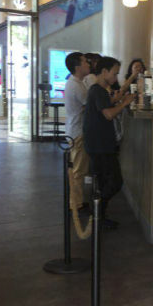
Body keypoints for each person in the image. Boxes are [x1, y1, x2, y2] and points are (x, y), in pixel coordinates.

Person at [83, 57, 134, 229]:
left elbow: (104, 106)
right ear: (104, 72)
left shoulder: (99, 90)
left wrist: (115, 100)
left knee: (104, 181)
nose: (116, 77)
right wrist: (124, 102)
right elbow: (108, 115)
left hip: (98, 143)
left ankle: (99, 215)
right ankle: (97, 214)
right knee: (114, 182)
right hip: (99, 144)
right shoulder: (98, 90)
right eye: (115, 73)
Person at [64, 52, 91, 213]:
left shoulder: (77, 83)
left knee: (79, 169)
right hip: (77, 131)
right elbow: (89, 106)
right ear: (77, 66)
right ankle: (75, 205)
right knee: (78, 171)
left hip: (76, 129)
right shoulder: (75, 85)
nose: (88, 64)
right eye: (85, 62)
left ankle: (77, 202)